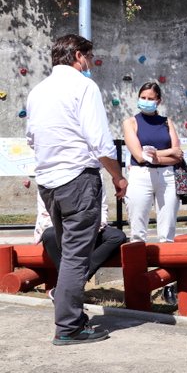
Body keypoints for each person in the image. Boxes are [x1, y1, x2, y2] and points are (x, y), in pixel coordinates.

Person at [25, 34, 128, 345]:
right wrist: (118, 177)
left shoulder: (37, 91)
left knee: (70, 252)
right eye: (90, 57)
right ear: (78, 56)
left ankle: (74, 318)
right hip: (78, 179)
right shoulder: (84, 86)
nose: (91, 63)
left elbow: (32, 137)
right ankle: (69, 326)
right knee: (75, 257)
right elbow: (99, 142)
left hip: (49, 183)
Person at [123, 82, 185, 243]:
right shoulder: (131, 122)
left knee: (167, 229)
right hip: (141, 174)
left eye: (150, 98)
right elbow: (140, 156)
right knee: (137, 228)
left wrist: (156, 156)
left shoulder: (166, 122)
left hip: (167, 176)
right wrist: (168, 152)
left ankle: (168, 266)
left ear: (158, 101)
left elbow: (178, 154)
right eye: (143, 97)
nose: (146, 101)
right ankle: (136, 266)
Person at [35, 187, 126, 296]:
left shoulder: (94, 174)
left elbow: (102, 207)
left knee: (117, 237)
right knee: (50, 235)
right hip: (61, 228)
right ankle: (71, 283)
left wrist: (95, 226)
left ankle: (71, 283)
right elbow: (45, 214)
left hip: (90, 226)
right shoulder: (51, 175)